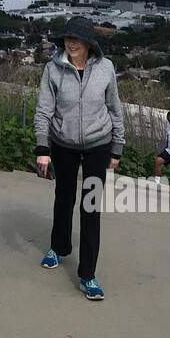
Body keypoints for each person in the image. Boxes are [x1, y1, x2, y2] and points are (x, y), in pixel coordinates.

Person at [33, 16, 124, 301]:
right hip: (64, 142)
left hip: (99, 141)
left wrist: (117, 147)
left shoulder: (105, 68)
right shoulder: (53, 69)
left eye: (77, 39)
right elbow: (44, 110)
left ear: (88, 43)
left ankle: (88, 274)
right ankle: (58, 247)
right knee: (64, 197)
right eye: (67, 39)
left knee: (90, 206)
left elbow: (114, 107)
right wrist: (42, 148)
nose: (71, 43)